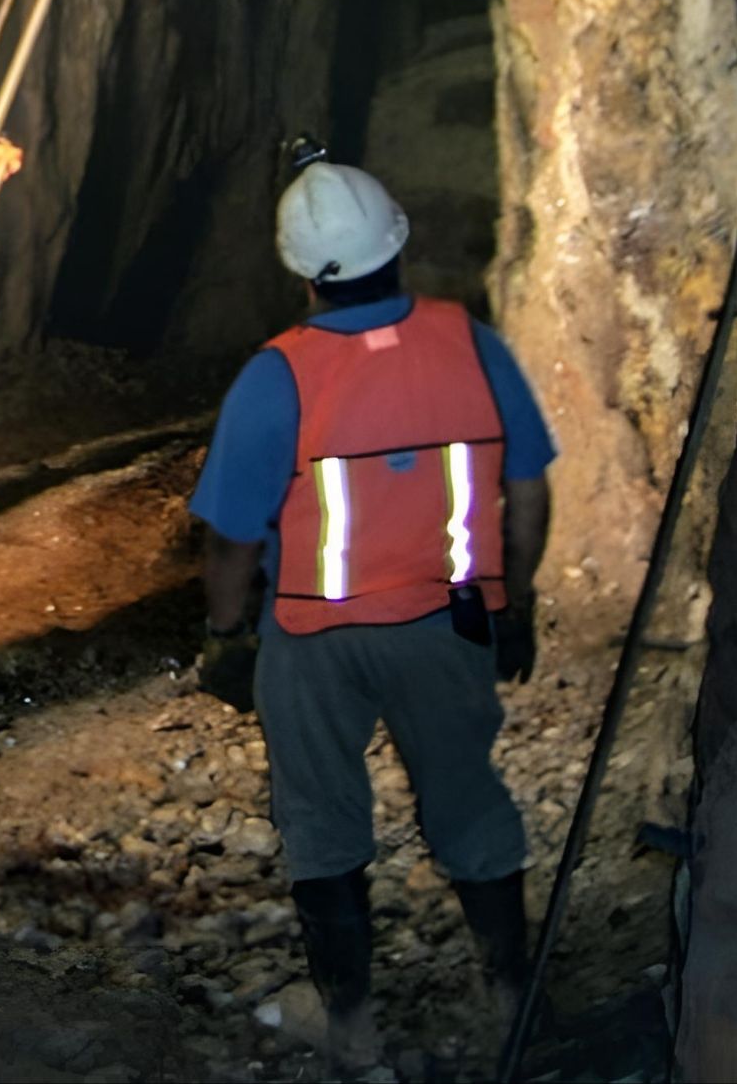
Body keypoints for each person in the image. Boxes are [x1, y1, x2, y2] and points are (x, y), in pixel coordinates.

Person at [189, 147, 555, 1067]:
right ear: (398, 241)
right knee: (467, 796)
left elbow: (232, 537)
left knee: (321, 817)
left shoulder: (278, 374)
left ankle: (352, 1024)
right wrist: (517, 601)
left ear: (302, 268)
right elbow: (528, 485)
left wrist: (226, 634)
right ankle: (513, 991)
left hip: (316, 634)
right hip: (449, 618)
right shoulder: (469, 341)